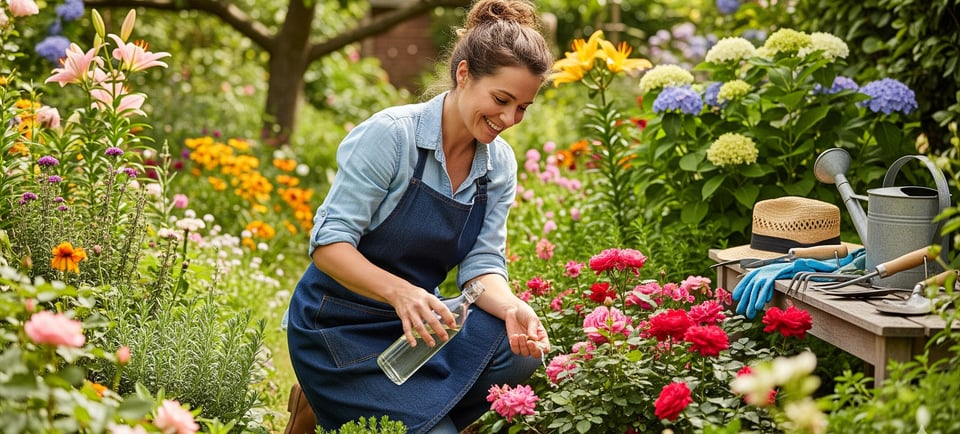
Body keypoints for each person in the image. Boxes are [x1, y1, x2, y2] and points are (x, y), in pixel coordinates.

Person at [284, 1, 554, 432]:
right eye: (501, 99)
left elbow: (482, 265)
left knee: (520, 349)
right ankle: (341, 398)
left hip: (415, 329)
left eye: (523, 107)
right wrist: (400, 293)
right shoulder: (391, 136)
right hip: (335, 324)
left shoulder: (498, 164)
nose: (509, 119)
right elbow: (328, 245)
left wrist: (512, 307)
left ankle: (408, 413)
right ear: (463, 74)